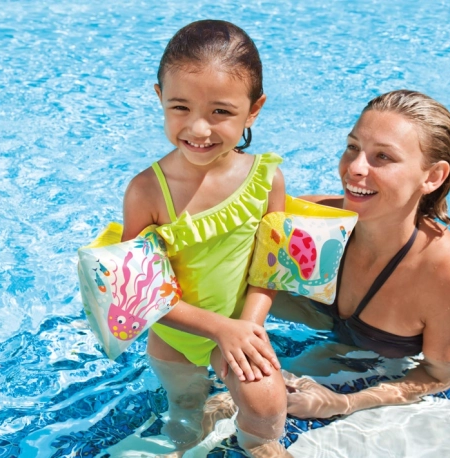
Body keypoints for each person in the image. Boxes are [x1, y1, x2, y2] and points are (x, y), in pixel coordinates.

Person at [121, 20, 290, 457]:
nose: (199, 129)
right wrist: (219, 329)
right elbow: (139, 296)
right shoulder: (147, 191)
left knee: (267, 402)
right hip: (176, 335)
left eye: (221, 112)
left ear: (253, 110)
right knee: (184, 417)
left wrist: (246, 330)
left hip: (240, 322)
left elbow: (269, 268)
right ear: (159, 98)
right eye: (180, 107)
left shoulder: (266, 179)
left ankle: (257, 447)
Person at [275, 90, 450, 419]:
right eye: (353, 147)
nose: (355, 168)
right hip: (327, 335)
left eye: (383, 157)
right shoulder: (310, 223)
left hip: (385, 364)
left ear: (432, 176)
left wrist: (345, 403)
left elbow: (438, 374)